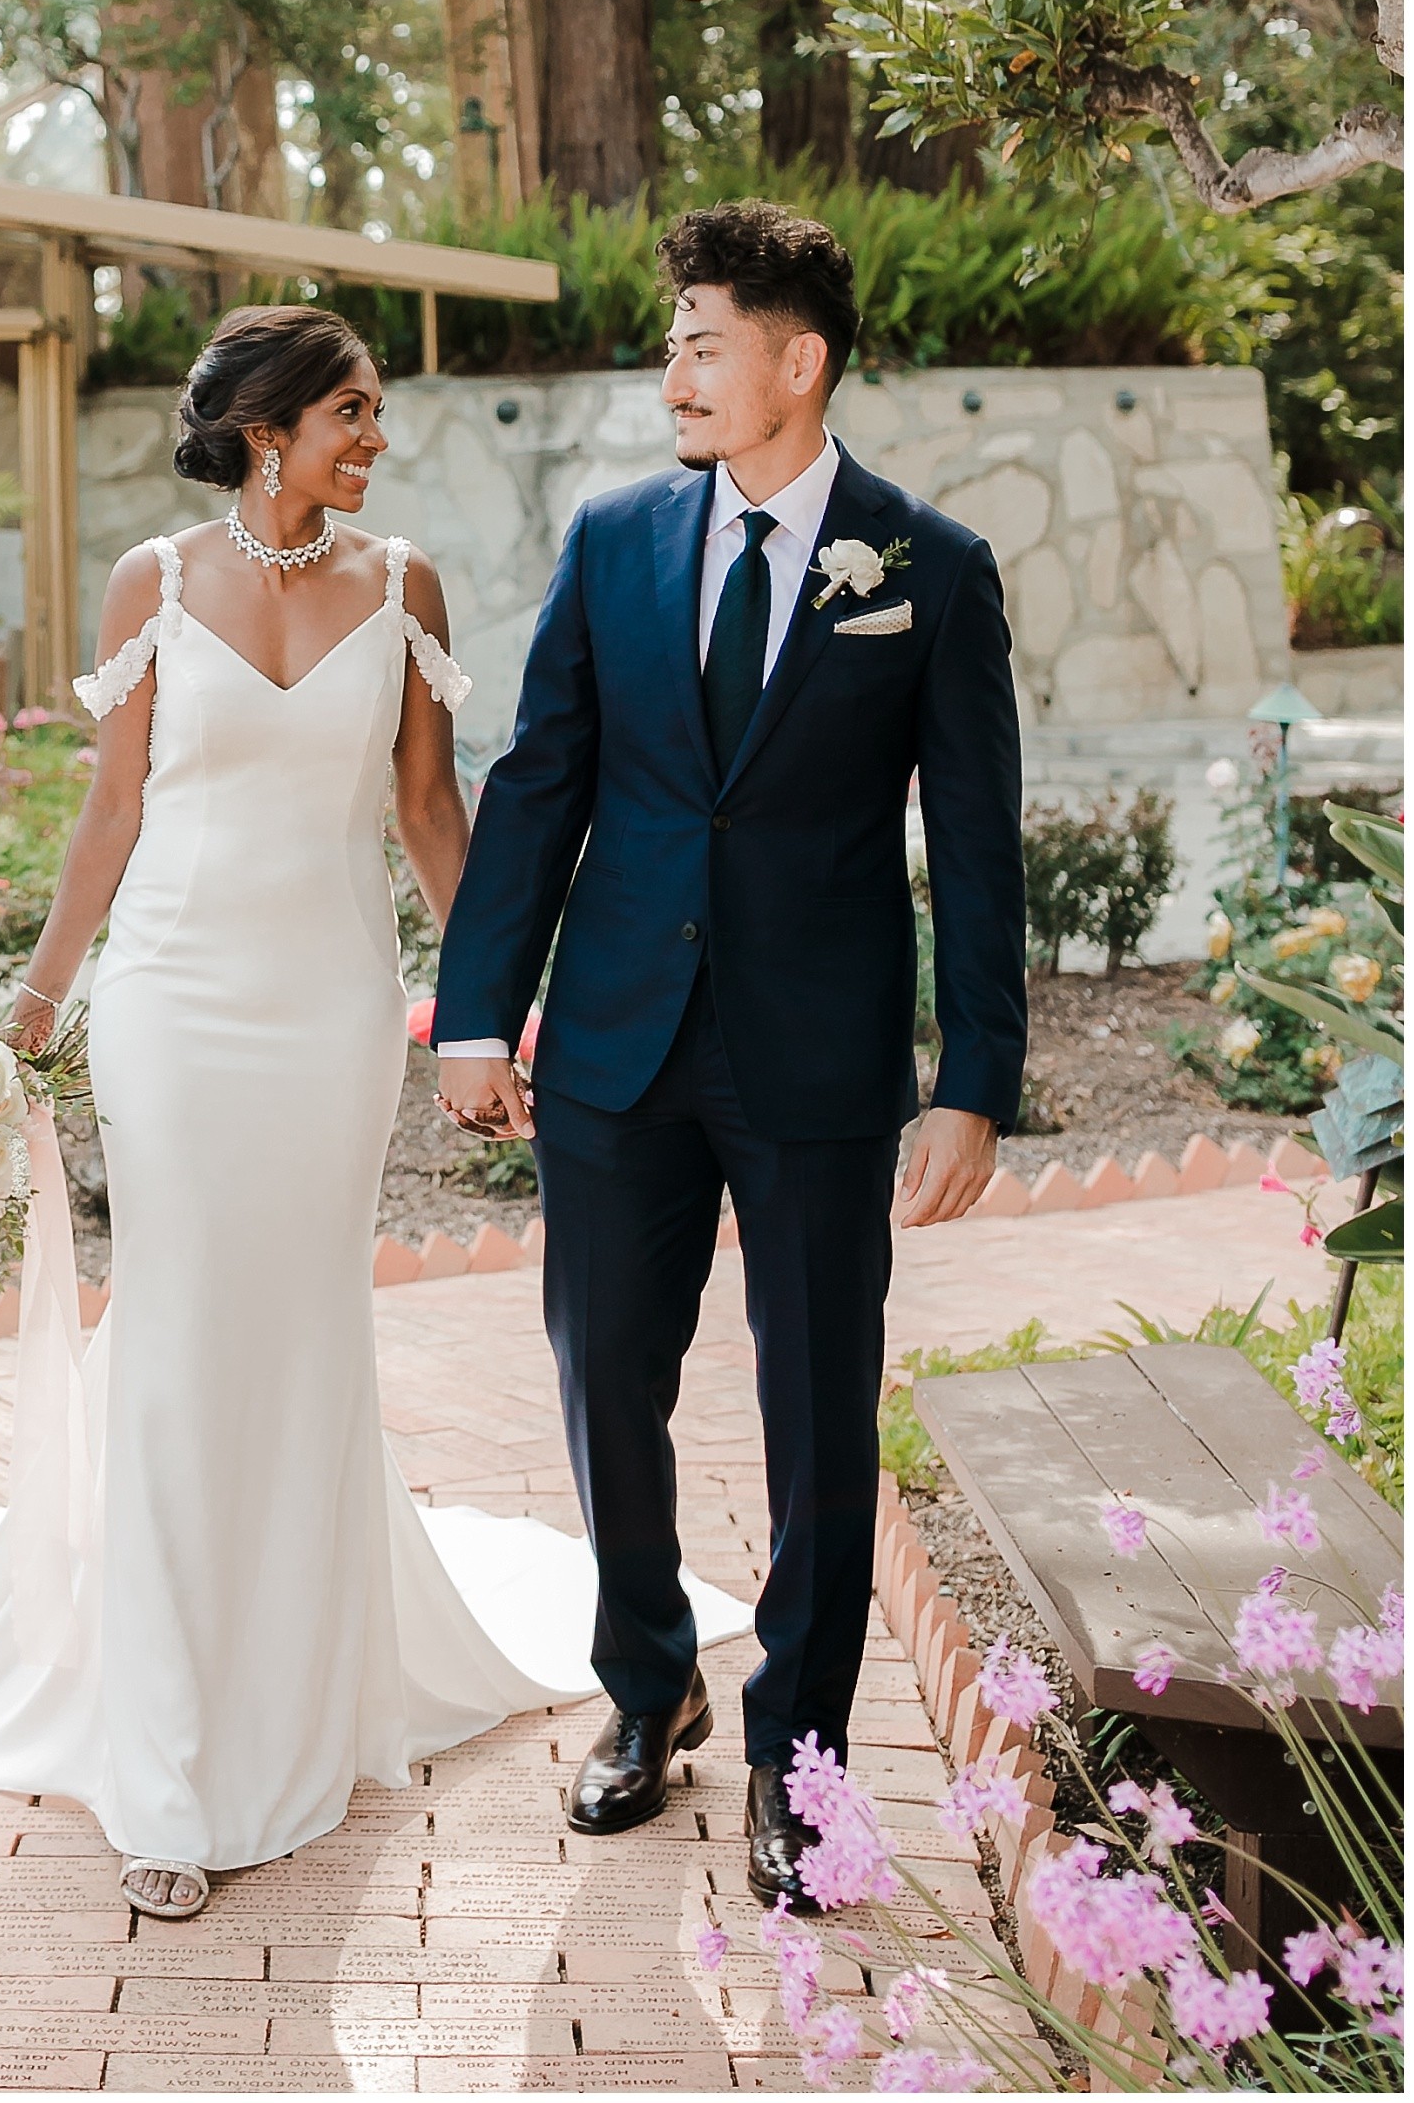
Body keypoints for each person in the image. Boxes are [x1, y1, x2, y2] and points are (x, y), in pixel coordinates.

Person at [0, 304, 747, 1918]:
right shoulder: (154, 582)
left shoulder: (405, 588)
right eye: (352, 414)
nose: (375, 440)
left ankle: (303, 1691)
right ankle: (170, 1771)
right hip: (169, 1011)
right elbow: (112, 810)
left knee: (306, 1331)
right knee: (176, 1340)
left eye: (375, 415)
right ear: (269, 428)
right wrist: (28, 1014)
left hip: (327, 1018)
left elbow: (427, 808)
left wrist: (493, 1004)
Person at [434, 201, 1026, 1914]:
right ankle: (648, 1686)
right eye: (674, 341)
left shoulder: (927, 568)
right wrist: (481, 1004)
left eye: (703, 342)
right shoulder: (615, 538)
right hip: (618, 1046)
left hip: (821, 1059)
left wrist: (974, 1075)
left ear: (797, 360)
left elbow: (980, 844)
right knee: (606, 1383)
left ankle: (802, 1757)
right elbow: (542, 779)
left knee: (818, 1414)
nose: (673, 372)